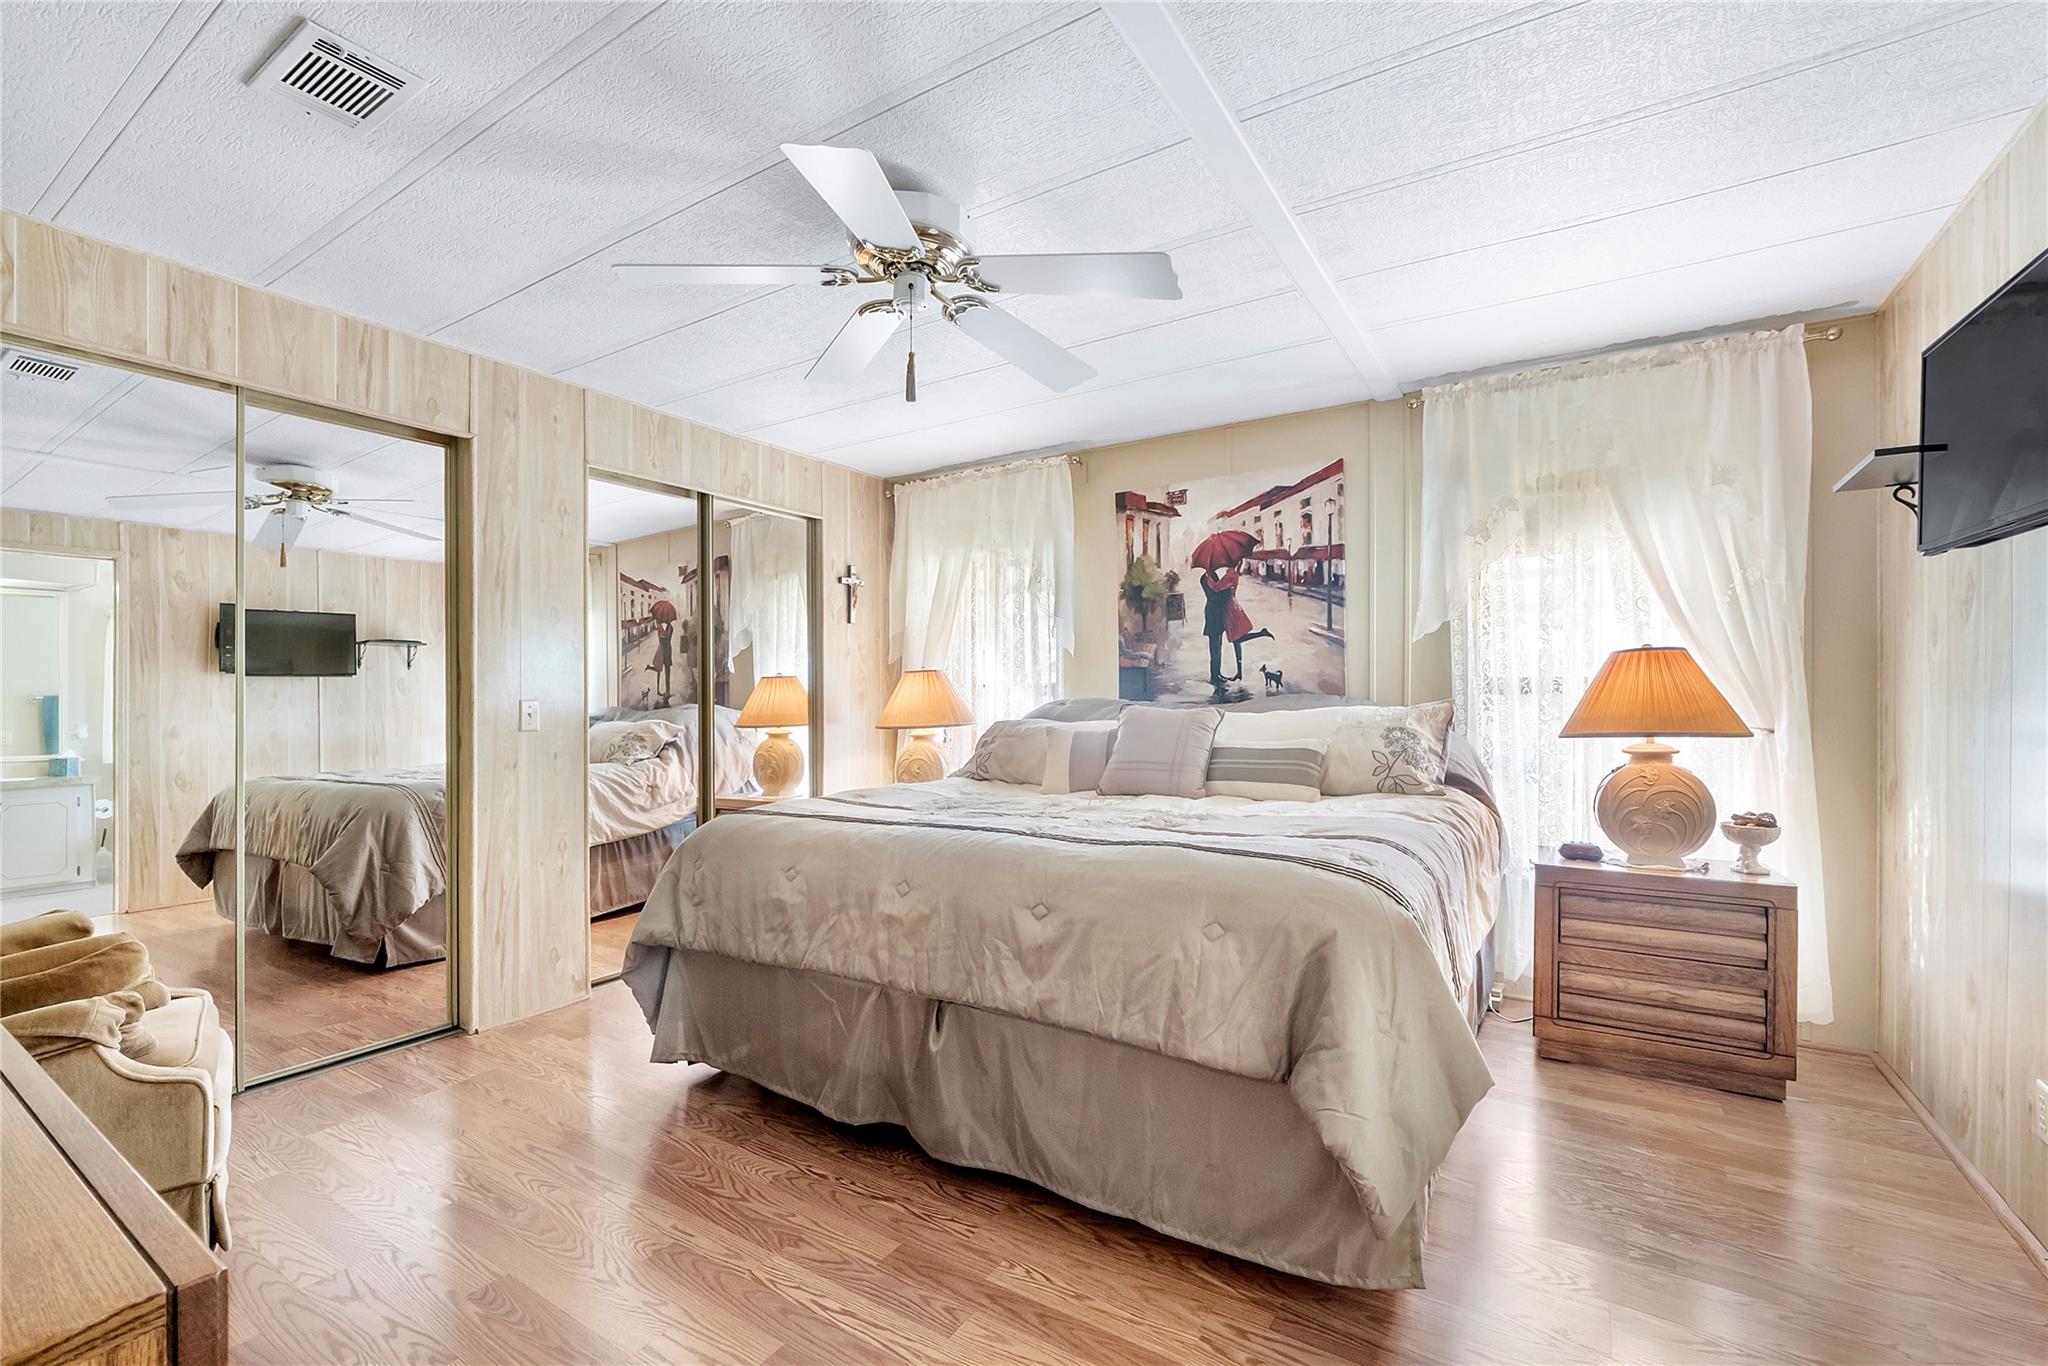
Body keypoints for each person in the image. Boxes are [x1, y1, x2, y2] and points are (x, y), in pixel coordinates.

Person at [1199, 564, 1274, 687]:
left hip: (1221, 614)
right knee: (1215, 647)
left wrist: (1226, 591)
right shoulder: (1205, 578)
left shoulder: (1216, 576)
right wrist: (1226, 591)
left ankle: (1219, 673)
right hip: (1213, 615)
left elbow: (1220, 589)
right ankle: (1215, 675)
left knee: (1221, 645)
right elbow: (1214, 594)